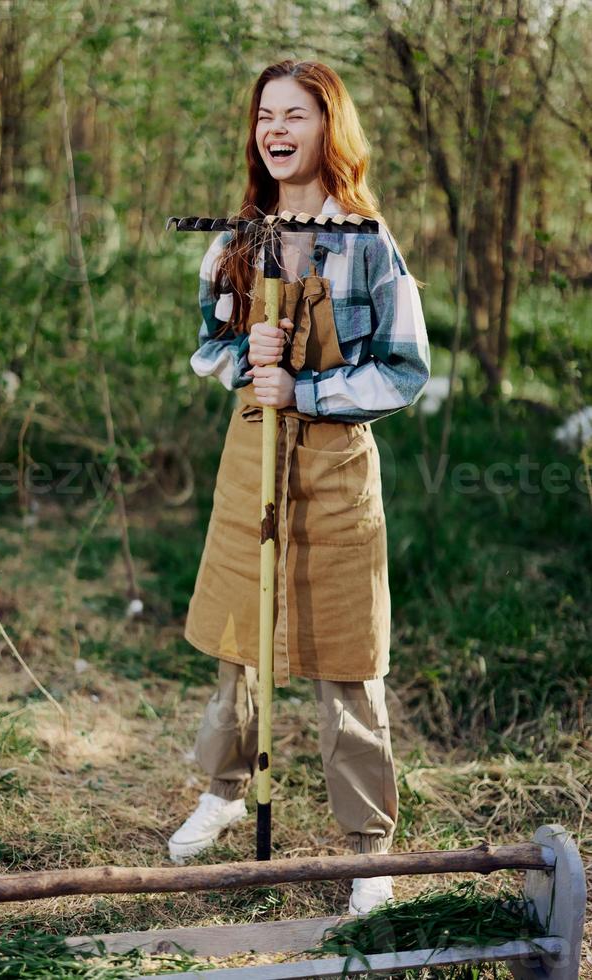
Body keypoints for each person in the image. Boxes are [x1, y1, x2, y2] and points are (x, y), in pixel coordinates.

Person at [168, 60, 430, 916]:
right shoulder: (235, 240)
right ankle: (225, 790)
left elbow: (405, 370)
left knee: (348, 660)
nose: (276, 130)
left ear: (328, 129)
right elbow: (209, 348)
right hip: (251, 460)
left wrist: (307, 390)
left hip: (335, 470)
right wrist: (251, 360)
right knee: (240, 644)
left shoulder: (369, 241)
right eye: (265, 116)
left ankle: (368, 855)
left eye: (295, 115)